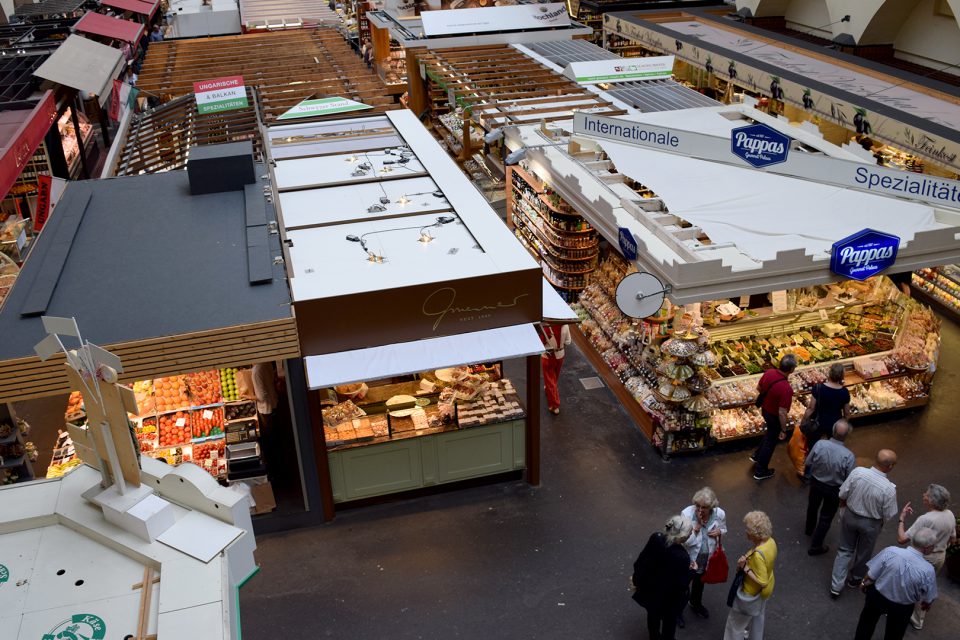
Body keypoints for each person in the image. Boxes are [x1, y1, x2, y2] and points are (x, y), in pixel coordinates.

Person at [830, 449, 899, 598]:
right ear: (890, 466)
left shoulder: (857, 472)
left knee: (844, 550)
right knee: (864, 552)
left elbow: (842, 493)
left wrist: (844, 509)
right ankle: (855, 579)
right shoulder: (888, 489)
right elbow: (889, 514)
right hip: (870, 524)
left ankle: (836, 586)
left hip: (850, 516)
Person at [853, 528, 939, 640]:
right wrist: (927, 604)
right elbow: (929, 598)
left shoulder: (891, 551)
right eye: (933, 546)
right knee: (894, 635)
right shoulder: (928, 570)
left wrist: (864, 583)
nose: (934, 548)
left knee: (866, 624)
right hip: (902, 608)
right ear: (926, 548)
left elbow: (872, 574)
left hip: (877, 596)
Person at [896, 484, 956, 630]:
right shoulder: (950, 514)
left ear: (931, 501)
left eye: (926, 495)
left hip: (921, 558)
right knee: (925, 587)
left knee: (907, 584)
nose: (923, 495)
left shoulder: (925, 519)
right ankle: (918, 619)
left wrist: (902, 519)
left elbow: (902, 539)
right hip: (939, 557)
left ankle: (897, 609)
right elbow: (953, 539)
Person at [631, 515, 693, 640]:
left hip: (650, 590)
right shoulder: (682, 556)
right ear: (683, 537)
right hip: (668, 599)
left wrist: (637, 580)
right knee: (669, 623)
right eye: (689, 532)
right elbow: (681, 584)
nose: (691, 533)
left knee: (652, 617)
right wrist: (692, 571)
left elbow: (642, 560)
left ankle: (654, 637)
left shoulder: (656, 538)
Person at [804, 419, 856, 556]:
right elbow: (849, 478)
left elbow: (808, 462)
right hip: (833, 489)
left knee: (813, 506)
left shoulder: (820, 444)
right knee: (826, 517)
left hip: (816, 483)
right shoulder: (848, 456)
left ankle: (809, 529)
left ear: (833, 431)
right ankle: (815, 546)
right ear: (846, 436)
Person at [723, 511, 777, 640]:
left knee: (735, 624)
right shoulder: (771, 542)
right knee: (758, 617)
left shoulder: (758, 555)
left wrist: (745, 568)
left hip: (750, 593)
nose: (746, 532)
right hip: (764, 593)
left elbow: (762, 581)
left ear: (756, 534)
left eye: (748, 529)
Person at [680, 486, 727, 620]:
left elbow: (723, 529)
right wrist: (695, 530)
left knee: (699, 583)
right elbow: (684, 542)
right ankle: (677, 611)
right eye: (697, 506)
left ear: (712, 507)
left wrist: (720, 532)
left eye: (704, 507)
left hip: (706, 559)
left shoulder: (720, 514)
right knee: (682, 585)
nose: (700, 510)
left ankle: (695, 603)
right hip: (689, 559)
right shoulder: (687, 514)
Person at [751, 354, 796, 480]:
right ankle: (760, 471)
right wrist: (783, 429)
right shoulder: (786, 389)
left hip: (765, 410)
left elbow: (759, 388)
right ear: (792, 369)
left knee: (769, 433)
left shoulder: (769, 372)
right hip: (774, 416)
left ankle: (756, 455)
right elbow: (782, 412)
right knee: (771, 442)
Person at [799, 363, 850, 443]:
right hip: (835, 424)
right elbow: (846, 413)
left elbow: (811, 408)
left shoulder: (818, 388)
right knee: (833, 446)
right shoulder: (844, 392)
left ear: (829, 374)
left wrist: (803, 420)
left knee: (813, 444)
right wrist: (843, 427)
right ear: (842, 376)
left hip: (818, 422)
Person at [539, 323, 571, 415]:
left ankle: (554, 404)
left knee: (549, 379)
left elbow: (540, 341)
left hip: (548, 356)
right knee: (555, 376)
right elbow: (568, 342)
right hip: (560, 355)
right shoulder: (565, 326)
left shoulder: (544, 327)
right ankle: (549, 389)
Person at [251, 362, 279, 432]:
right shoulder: (266, 363)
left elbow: (261, 397)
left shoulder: (256, 371)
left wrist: (246, 396)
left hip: (265, 408)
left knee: (269, 430)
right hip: (274, 400)